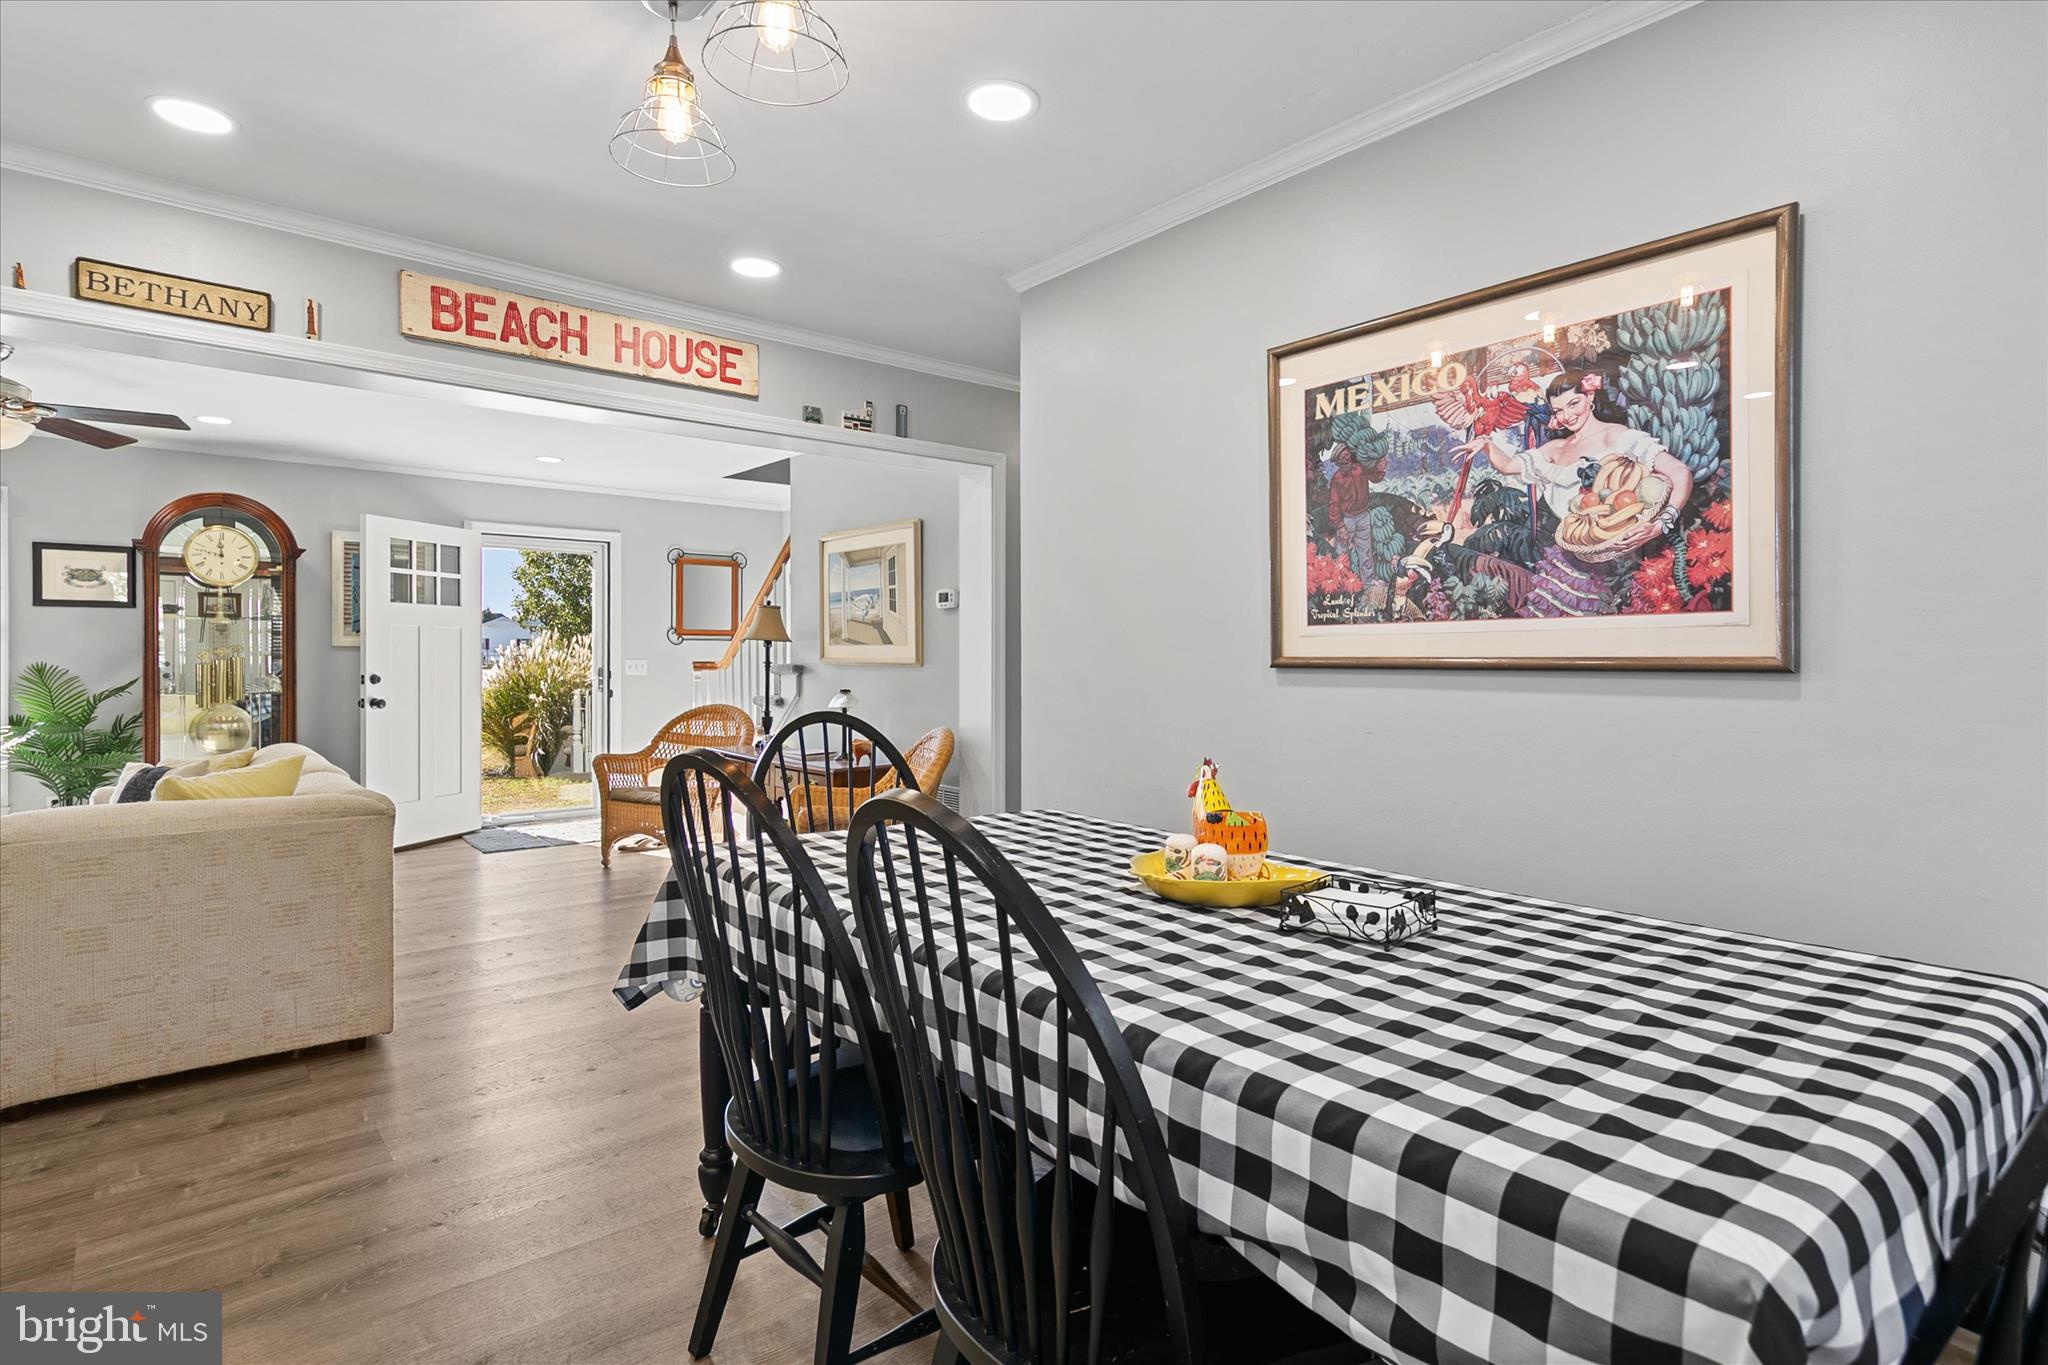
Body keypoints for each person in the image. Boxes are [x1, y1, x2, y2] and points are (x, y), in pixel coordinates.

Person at [1458, 368, 1692, 561]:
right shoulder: (1555, 447)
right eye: (1558, 410)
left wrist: (1662, 524)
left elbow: (1680, 472)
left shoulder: (1615, 435)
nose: (1567, 416)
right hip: (1574, 551)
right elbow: (1508, 465)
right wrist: (1486, 444)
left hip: (1626, 551)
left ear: (1590, 397)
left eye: (1573, 404)